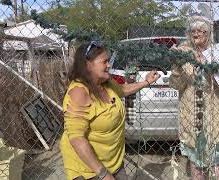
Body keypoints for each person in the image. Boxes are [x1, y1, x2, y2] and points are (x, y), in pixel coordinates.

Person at [60, 41, 160, 180]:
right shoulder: (79, 92)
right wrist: (103, 174)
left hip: (113, 161)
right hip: (88, 168)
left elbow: (122, 90)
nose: (109, 65)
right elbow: (77, 138)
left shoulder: (105, 82)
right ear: (87, 65)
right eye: (104, 62)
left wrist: (146, 82)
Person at [169, 15, 219, 180]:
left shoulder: (218, 51)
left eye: (200, 30)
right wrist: (177, 64)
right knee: (196, 161)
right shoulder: (183, 51)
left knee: (218, 160)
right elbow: (176, 84)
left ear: (208, 33)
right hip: (191, 114)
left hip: (216, 115)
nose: (196, 33)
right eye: (192, 30)